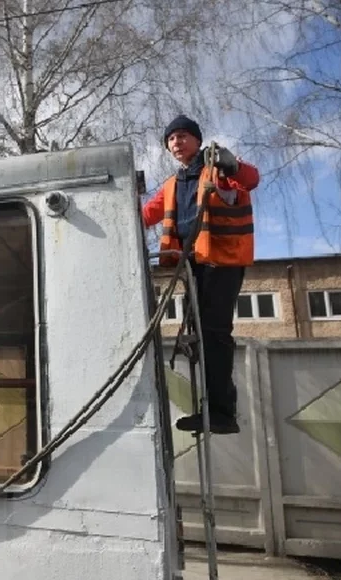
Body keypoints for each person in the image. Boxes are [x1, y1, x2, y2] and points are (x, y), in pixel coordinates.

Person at [142, 115, 261, 435]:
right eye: (171, 139)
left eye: (182, 136)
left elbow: (250, 179)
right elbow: (146, 214)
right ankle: (208, 409)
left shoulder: (218, 170)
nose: (176, 142)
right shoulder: (172, 184)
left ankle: (223, 412)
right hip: (193, 264)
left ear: (197, 140)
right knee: (200, 334)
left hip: (221, 262)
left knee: (214, 332)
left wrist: (232, 165)